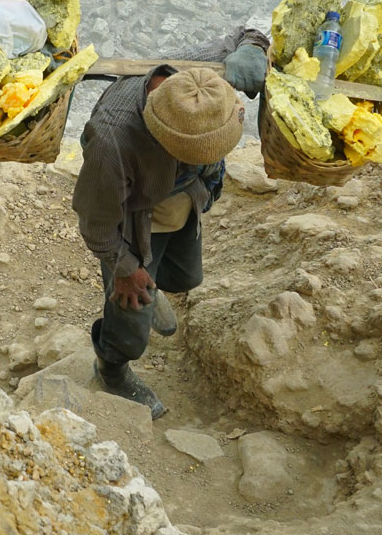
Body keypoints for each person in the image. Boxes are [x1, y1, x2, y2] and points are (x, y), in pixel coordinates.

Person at [71, 27, 268, 418]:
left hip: (183, 196)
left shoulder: (196, 78)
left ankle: (155, 281)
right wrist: (126, 269)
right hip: (133, 217)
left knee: (185, 276)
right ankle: (112, 368)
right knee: (132, 319)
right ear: (163, 138)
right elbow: (96, 224)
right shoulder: (112, 142)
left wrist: (252, 49)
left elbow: (246, 35)